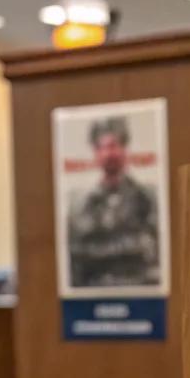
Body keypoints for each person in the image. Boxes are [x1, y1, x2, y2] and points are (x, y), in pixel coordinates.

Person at [67, 117, 159, 289]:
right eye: (102, 147)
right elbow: (76, 254)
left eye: (114, 146)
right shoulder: (83, 205)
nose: (109, 154)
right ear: (96, 153)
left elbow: (151, 252)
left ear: (124, 149)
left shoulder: (146, 198)